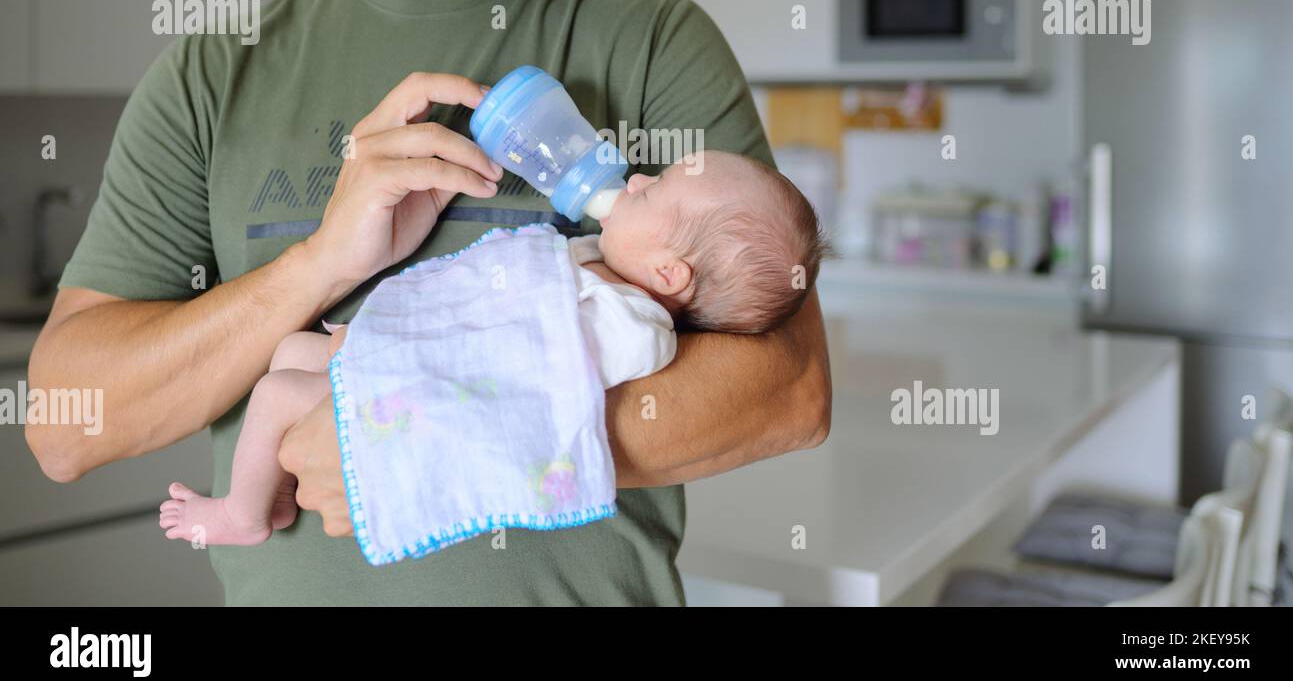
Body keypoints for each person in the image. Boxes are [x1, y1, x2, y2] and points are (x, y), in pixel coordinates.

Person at [28, 0, 831, 606]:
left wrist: (415, 447)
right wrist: (318, 265)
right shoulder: (214, 77)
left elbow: (791, 390)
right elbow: (66, 424)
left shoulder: (652, 42)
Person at [158, 152, 830, 549]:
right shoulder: (597, 260)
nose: (634, 180)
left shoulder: (635, 326)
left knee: (278, 394)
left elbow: (539, 382)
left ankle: (240, 514)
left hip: (435, 390)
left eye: (653, 192)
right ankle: (273, 494)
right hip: (413, 355)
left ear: (670, 276)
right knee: (289, 351)